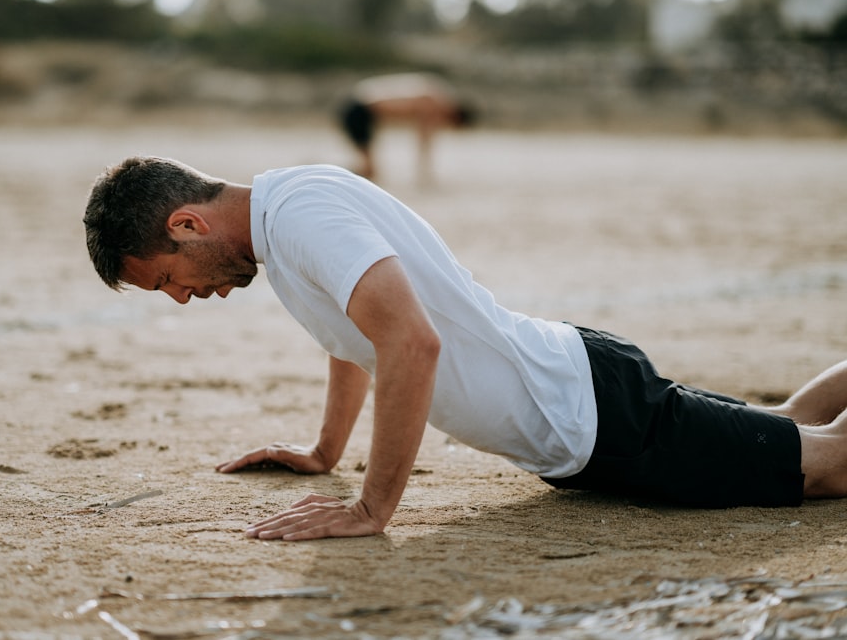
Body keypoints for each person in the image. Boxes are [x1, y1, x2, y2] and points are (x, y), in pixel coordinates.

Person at [83, 157, 847, 541]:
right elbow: (357, 340)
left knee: (828, 466)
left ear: (187, 225)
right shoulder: (281, 229)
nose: (183, 298)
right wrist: (324, 449)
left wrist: (370, 508)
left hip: (594, 415)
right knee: (784, 426)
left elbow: (411, 342)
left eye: (167, 282)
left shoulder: (300, 216)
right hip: (581, 398)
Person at [338, 72, 475, 183]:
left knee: (369, 170)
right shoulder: (433, 102)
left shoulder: (435, 93)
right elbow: (424, 140)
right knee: (369, 171)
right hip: (359, 109)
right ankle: (334, 177)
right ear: (455, 117)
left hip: (361, 108)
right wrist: (425, 174)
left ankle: (337, 177)